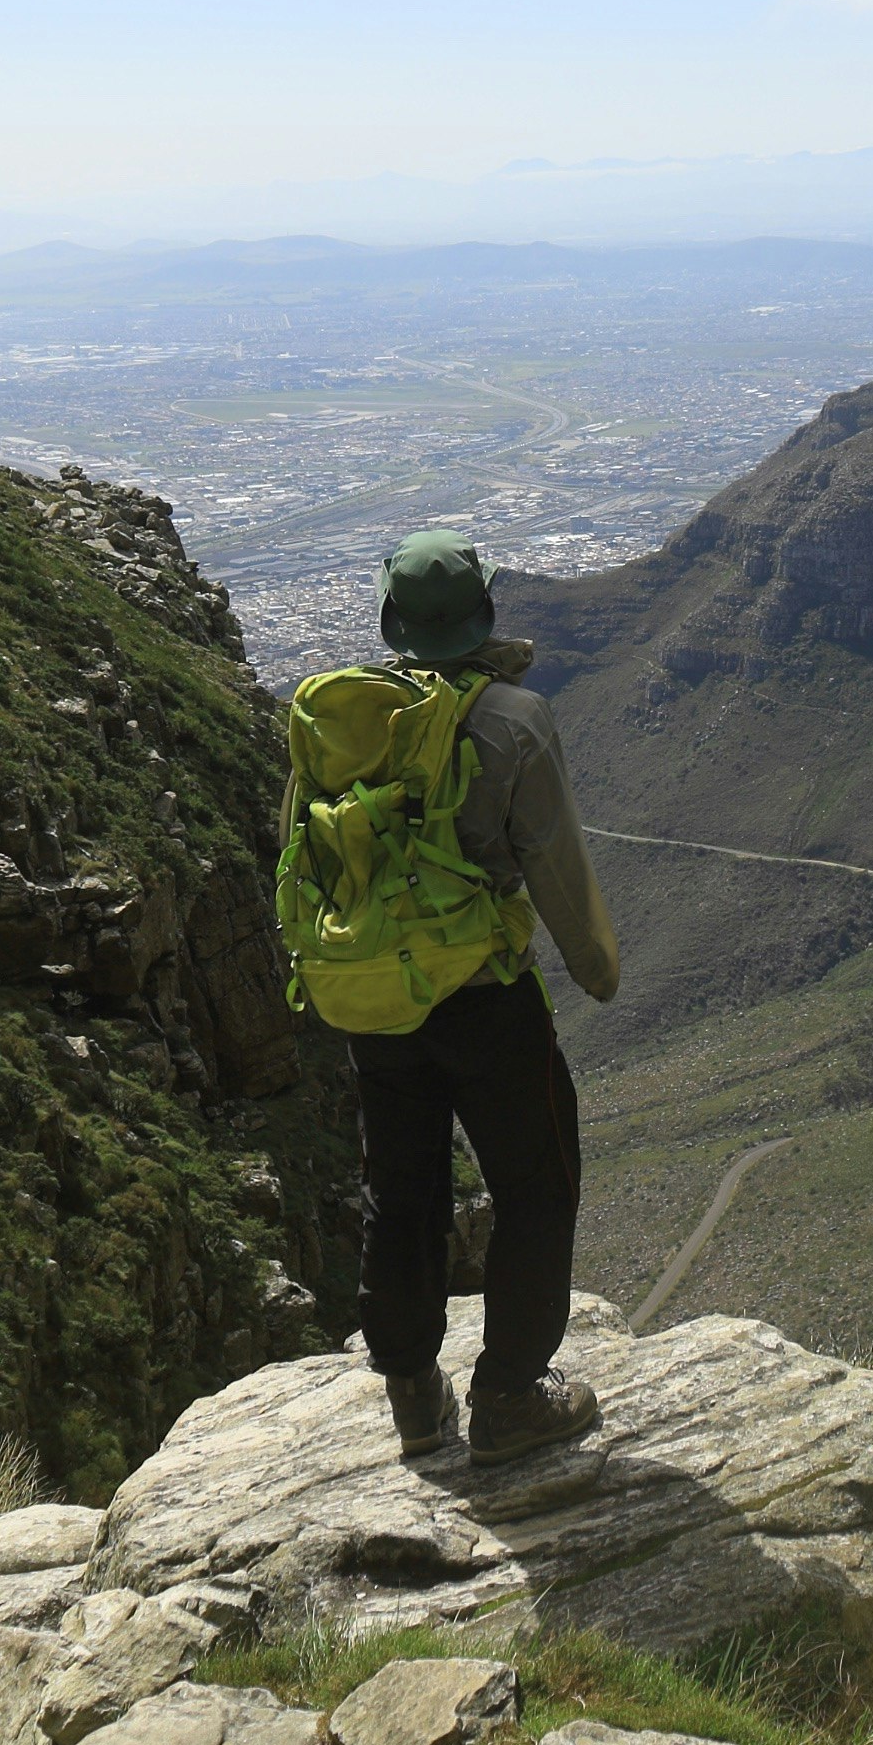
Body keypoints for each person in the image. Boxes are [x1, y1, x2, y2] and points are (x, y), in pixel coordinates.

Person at [324, 529, 621, 1464]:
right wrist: (597, 971)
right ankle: (509, 1400)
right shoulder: (514, 721)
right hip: (484, 999)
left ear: (390, 623)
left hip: (377, 998)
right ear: (484, 615)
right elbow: (555, 868)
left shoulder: (345, 719)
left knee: (399, 1190)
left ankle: (415, 1396)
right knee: (536, 1185)